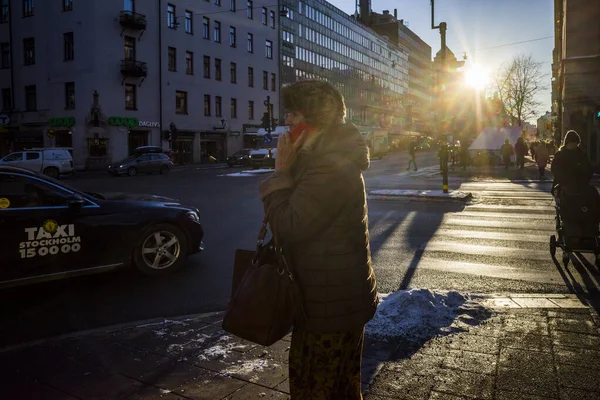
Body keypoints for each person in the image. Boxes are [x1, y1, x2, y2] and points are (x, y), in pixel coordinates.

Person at [258, 80, 378, 400]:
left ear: (313, 121)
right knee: (336, 387)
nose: (286, 122)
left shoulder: (330, 165)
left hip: (331, 304)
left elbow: (291, 225)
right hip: (325, 298)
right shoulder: (320, 158)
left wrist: (281, 172)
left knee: (318, 388)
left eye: (293, 114)